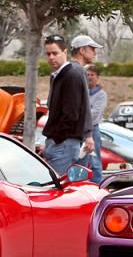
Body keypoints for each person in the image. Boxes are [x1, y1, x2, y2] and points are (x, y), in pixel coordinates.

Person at [42, 34, 93, 176]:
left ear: (64, 52)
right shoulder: (58, 75)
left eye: (55, 53)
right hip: (61, 142)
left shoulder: (72, 74)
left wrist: (58, 139)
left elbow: (71, 114)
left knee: (58, 192)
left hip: (64, 144)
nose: (51, 57)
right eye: (48, 54)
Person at [71, 35, 105, 184]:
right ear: (82, 50)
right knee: (80, 167)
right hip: (82, 132)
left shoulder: (100, 94)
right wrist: (87, 134)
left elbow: (92, 113)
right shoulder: (77, 72)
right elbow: (82, 109)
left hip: (86, 130)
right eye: (92, 49)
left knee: (92, 164)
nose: (95, 53)